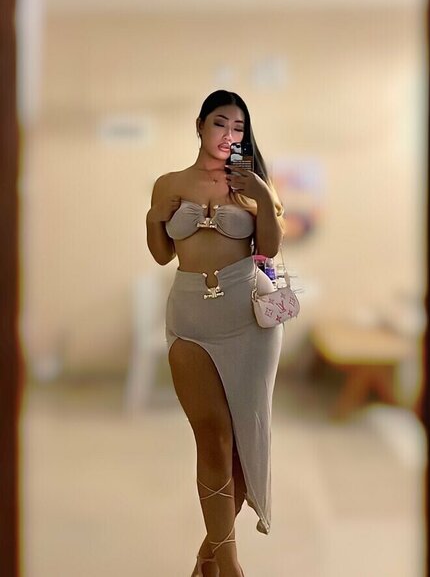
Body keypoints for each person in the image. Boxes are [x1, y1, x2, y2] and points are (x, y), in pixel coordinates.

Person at [146, 90, 284, 577]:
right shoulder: (169, 183)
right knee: (213, 438)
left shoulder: (253, 183)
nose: (229, 134)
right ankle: (229, 564)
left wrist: (261, 196)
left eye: (238, 127)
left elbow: (267, 248)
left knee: (244, 449)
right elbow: (162, 254)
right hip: (191, 319)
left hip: (247, 318)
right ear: (200, 126)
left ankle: (208, 560)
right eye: (221, 123)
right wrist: (153, 218)